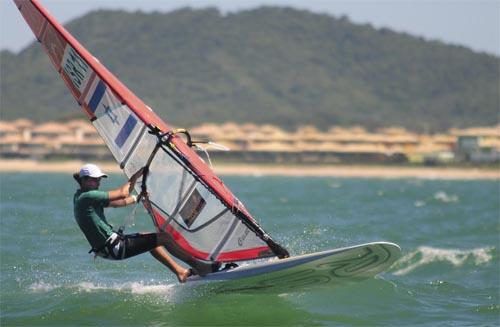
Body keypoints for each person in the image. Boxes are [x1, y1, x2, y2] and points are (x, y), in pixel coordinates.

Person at [72, 163, 217, 283]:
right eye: (94, 179)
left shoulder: (80, 197)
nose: (98, 182)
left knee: (148, 237)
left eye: (99, 179)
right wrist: (136, 175)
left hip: (108, 249)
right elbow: (122, 193)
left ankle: (180, 272)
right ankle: (199, 266)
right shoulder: (87, 197)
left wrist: (137, 198)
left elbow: (118, 203)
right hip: (115, 247)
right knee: (164, 238)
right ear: (84, 180)